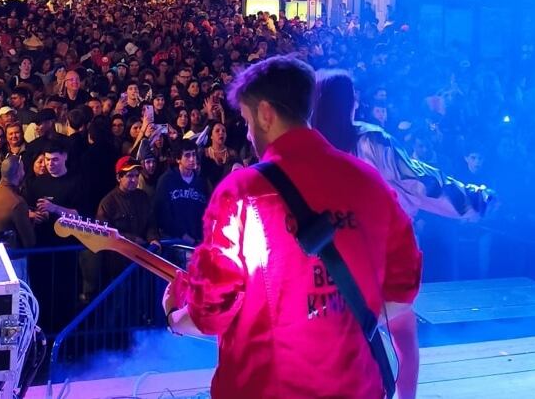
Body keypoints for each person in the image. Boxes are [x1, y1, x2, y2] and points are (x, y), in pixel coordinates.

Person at [162, 56, 422, 399]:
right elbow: (402, 291)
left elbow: (211, 312)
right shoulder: (370, 182)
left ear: (266, 113)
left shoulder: (241, 193)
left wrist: (174, 315)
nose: (250, 134)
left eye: (247, 120)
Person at [313, 70, 494, 220]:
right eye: (353, 98)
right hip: (375, 242)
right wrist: (476, 200)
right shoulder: (370, 141)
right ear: (346, 104)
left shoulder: (305, 146)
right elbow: (419, 181)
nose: (358, 104)